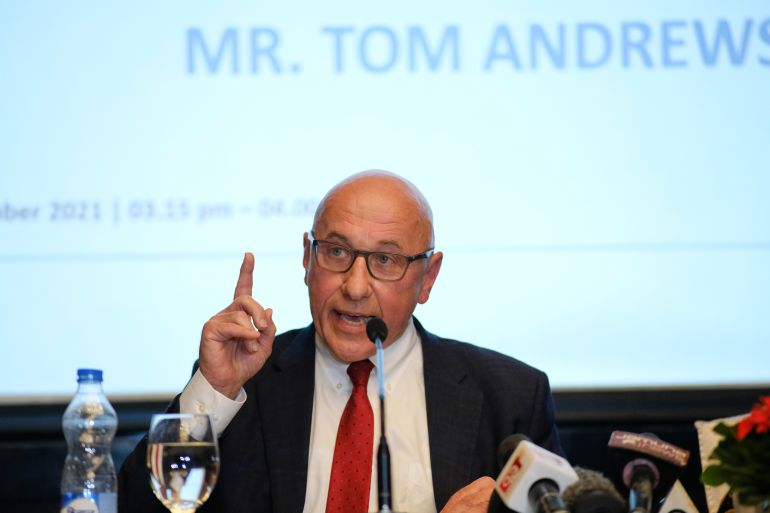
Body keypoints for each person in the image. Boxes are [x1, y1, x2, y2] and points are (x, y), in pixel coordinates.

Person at [119, 170, 563, 513]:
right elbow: (138, 508)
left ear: (428, 278)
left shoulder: (510, 398)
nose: (355, 287)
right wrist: (213, 391)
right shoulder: (241, 385)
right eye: (336, 252)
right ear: (307, 258)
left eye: (385, 260)